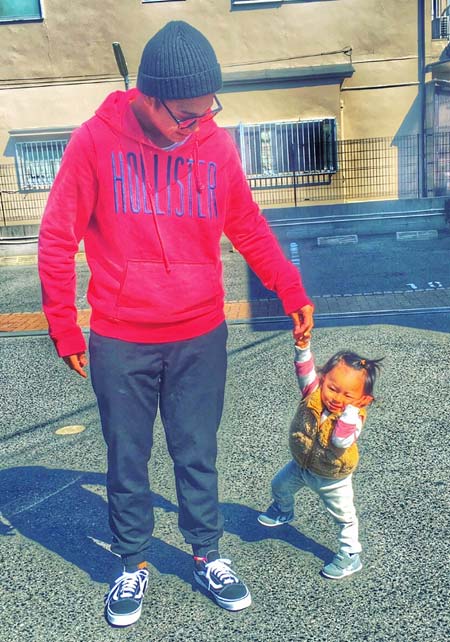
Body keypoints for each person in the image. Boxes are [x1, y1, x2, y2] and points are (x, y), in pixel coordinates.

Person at [38, 20, 314, 626]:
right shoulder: (95, 142)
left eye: (207, 110)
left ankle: (206, 553)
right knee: (127, 458)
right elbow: (57, 237)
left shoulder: (213, 145)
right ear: (149, 96)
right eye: (186, 115)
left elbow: (246, 223)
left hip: (199, 333)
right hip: (121, 337)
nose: (198, 123)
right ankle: (131, 562)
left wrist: (288, 286)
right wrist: (64, 324)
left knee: (196, 452)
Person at [258, 338, 382, 579]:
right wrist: (302, 347)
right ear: (323, 379)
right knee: (279, 486)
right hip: (302, 465)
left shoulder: (354, 418)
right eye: (332, 388)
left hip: (333, 477)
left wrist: (351, 410)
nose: (337, 398)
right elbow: (303, 371)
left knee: (344, 517)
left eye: (348, 395)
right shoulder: (313, 394)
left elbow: (340, 441)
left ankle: (350, 555)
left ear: (363, 399)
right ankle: (283, 510)